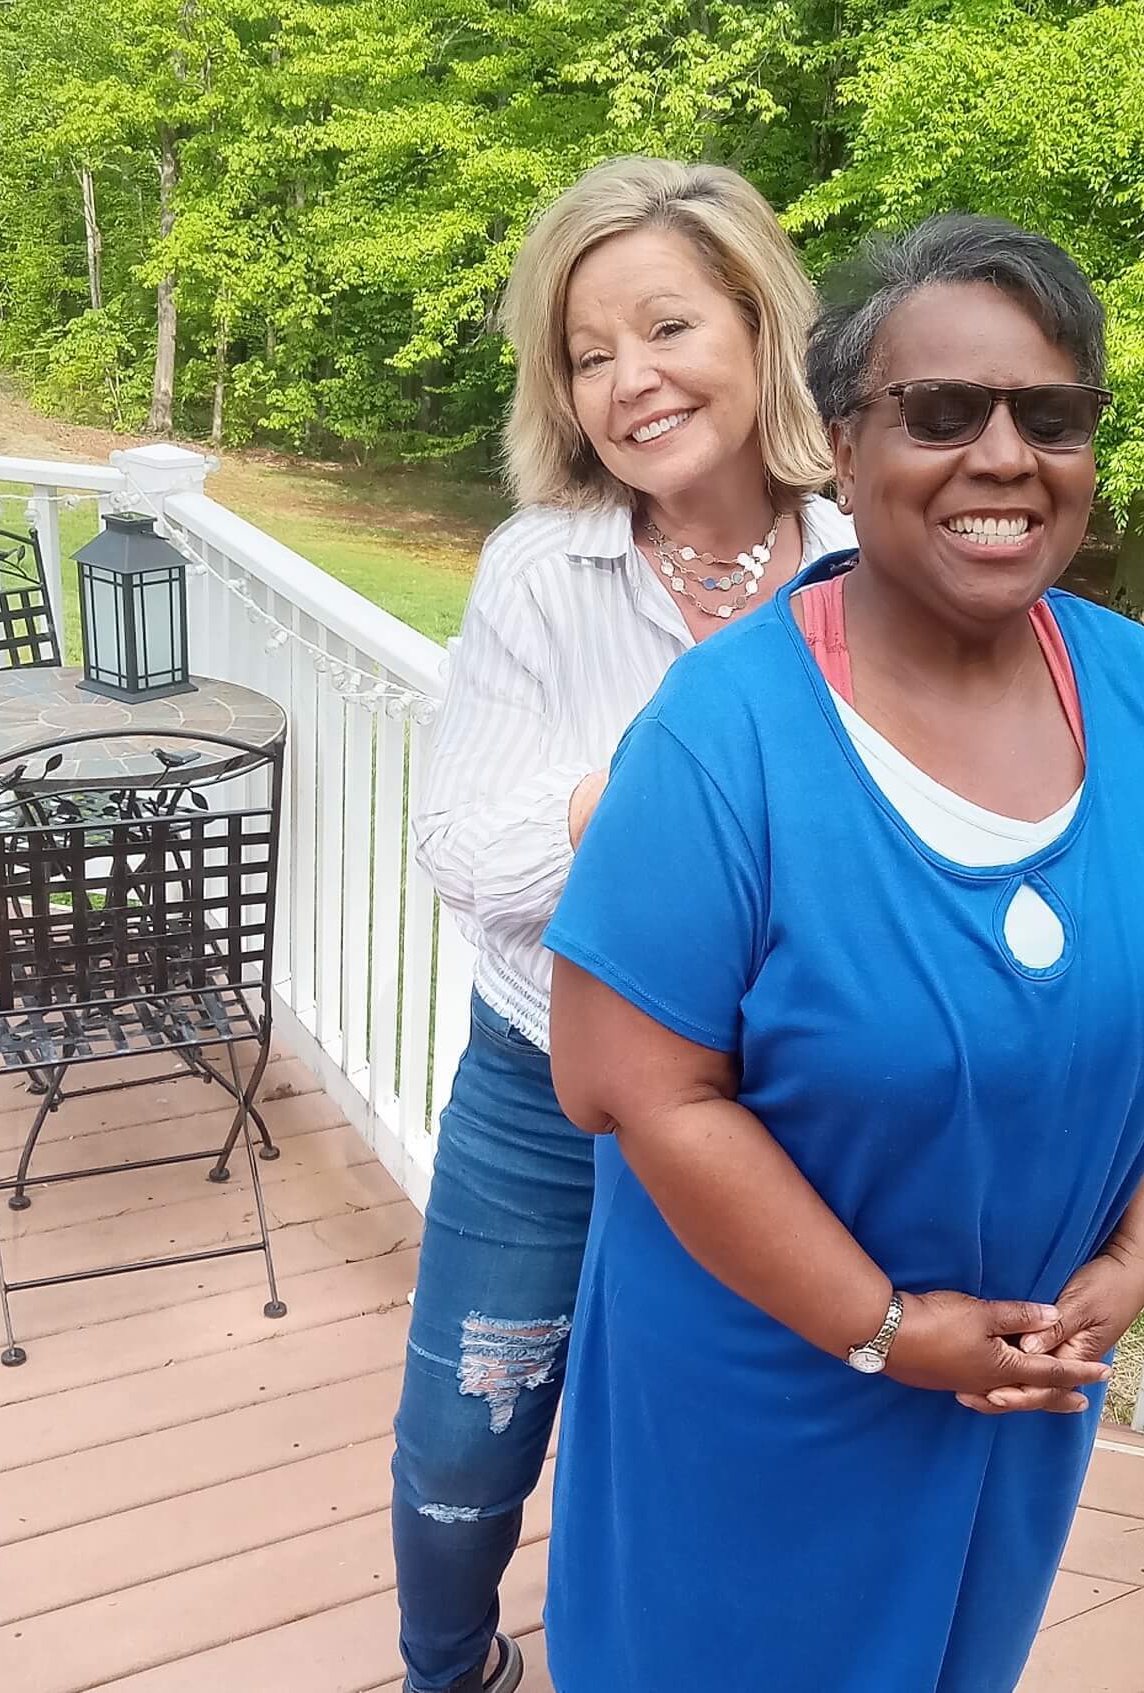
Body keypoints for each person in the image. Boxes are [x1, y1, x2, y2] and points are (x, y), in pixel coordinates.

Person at [543, 212, 1144, 1692]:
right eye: (942, 411)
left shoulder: (1140, 690)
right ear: (847, 449)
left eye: (1051, 415)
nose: (1004, 454)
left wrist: (1142, 1245)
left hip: (1017, 1404)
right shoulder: (720, 736)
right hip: (764, 1406)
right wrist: (886, 1332)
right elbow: (625, 1085)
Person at [392, 156, 853, 1693]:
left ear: (758, 323)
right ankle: (451, 1666)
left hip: (762, 1110)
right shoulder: (543, 572)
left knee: (687, 1451)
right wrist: (658, 774)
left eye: (667, 327)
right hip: (542, 1083)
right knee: (469, 1430)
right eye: (590, 354)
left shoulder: (870, 570)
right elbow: (466, 848)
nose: (629, 380)